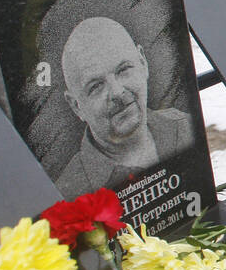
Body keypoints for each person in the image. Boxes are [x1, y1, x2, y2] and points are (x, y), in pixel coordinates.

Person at [55, 16, 196, 198]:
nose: (117, 92)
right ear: (76, 106)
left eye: (123, 70)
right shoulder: (67, 194)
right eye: (96, 86)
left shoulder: (187, 126)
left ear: (143, 63)